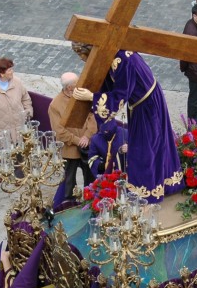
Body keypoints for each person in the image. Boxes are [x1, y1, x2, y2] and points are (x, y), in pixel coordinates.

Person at [71, 43, 182, 201]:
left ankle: (147, 193)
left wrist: (91, 97)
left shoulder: (122, 61)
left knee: (144, 149)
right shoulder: (113, 55)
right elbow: (108, 83)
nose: (83, 61)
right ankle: (162, 183)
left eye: (83, 56)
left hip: (147, 108)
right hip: (142, 103)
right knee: (154, 145)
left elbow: (120, 96)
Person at [48, 71, 96, 200]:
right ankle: (69, 204)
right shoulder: (55, 105)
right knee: (69, 183)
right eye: (77, 82)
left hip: (87, 146)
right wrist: (77, 140)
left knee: (91, 179)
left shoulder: (82, 95)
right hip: (69, 150)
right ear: (69, 87)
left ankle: (90, 201)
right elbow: (59, 131)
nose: (80, 83)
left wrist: (87, 136)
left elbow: (92, 116)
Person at [0, 57, 33, 144]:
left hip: (20, 132)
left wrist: (27, 113)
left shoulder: (17, 82)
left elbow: (26, 98)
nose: (12, 72)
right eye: (10, 70)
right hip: (2, 135)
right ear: (2, 74)